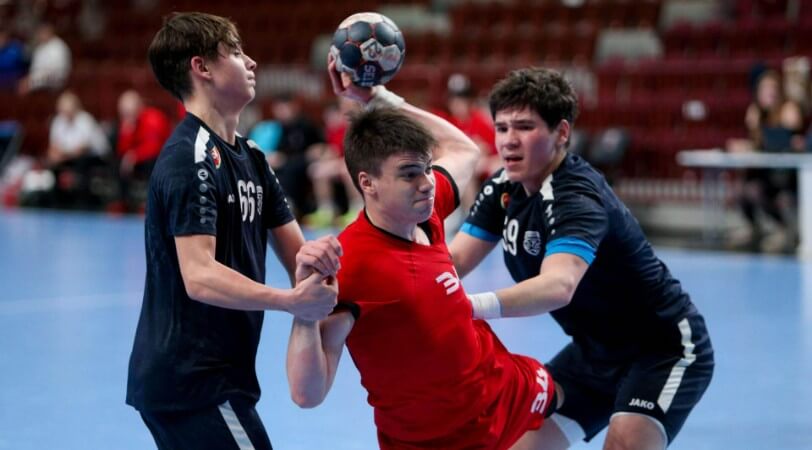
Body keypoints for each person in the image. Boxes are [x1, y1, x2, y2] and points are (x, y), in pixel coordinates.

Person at [285, 57, 559, 450]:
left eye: (428, 169)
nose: (427, 183)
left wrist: (377, 98)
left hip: (504, 391)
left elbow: (463, 149)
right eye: (410, 174)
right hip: (435, 440)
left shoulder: (426, 212)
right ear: (368, 183)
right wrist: (304, 310)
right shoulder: (351, 265)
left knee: (582, 394)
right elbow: (306, 393)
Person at [448, 68, 715, 450]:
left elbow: (559, 285)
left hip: (662, 348)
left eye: (524, 127)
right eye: (502, 128)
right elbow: (455, 259)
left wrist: (467, 307)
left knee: (624, 443)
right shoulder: (504, 187)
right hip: (593, 353)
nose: (509, 140)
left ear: (561, 132)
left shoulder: (576, 197)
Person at [125, 12, 341, 450]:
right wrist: (289, 301)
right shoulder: (190, 157)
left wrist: (324, 261)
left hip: (220, 378)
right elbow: (199, 275)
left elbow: (299, 257)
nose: (252, 62)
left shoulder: (253, 157)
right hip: (193, 384)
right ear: (201, 67)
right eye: (237, 52)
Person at [44, 90, 110, 208]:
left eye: (68, 110)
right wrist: (54, 156)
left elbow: (83, 149)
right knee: (52, 164)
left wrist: (63, 156)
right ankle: (58, 200)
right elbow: (53, 147)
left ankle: (83, 201)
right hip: (70, 156)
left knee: (82, 163)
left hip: (96, 156)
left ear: (75, 108)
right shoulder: (58, 121)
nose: (65, 113)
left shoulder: (85, 120)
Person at [113, 89, 172, 212]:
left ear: (138, 106)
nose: (126, 115)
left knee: (152, 163)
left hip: (162, 158)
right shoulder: (130, 122)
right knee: (118, 162)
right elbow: (122, 150)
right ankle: (123, 201)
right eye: (123, 113)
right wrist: (126, 132)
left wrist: (134, 156)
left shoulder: (153, 118)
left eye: (128, 111)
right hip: (139, 159)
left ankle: (153, 203)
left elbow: (154, 147)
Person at [17, 22, 71, 95]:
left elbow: (54, 73)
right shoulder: (40, 47)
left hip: (53, 85)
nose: (39, 35)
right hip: (38, 82)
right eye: (38, 33)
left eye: (41, 32)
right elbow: (35, 70)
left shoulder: (58, 47)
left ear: (49, 31)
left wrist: (31, 82)